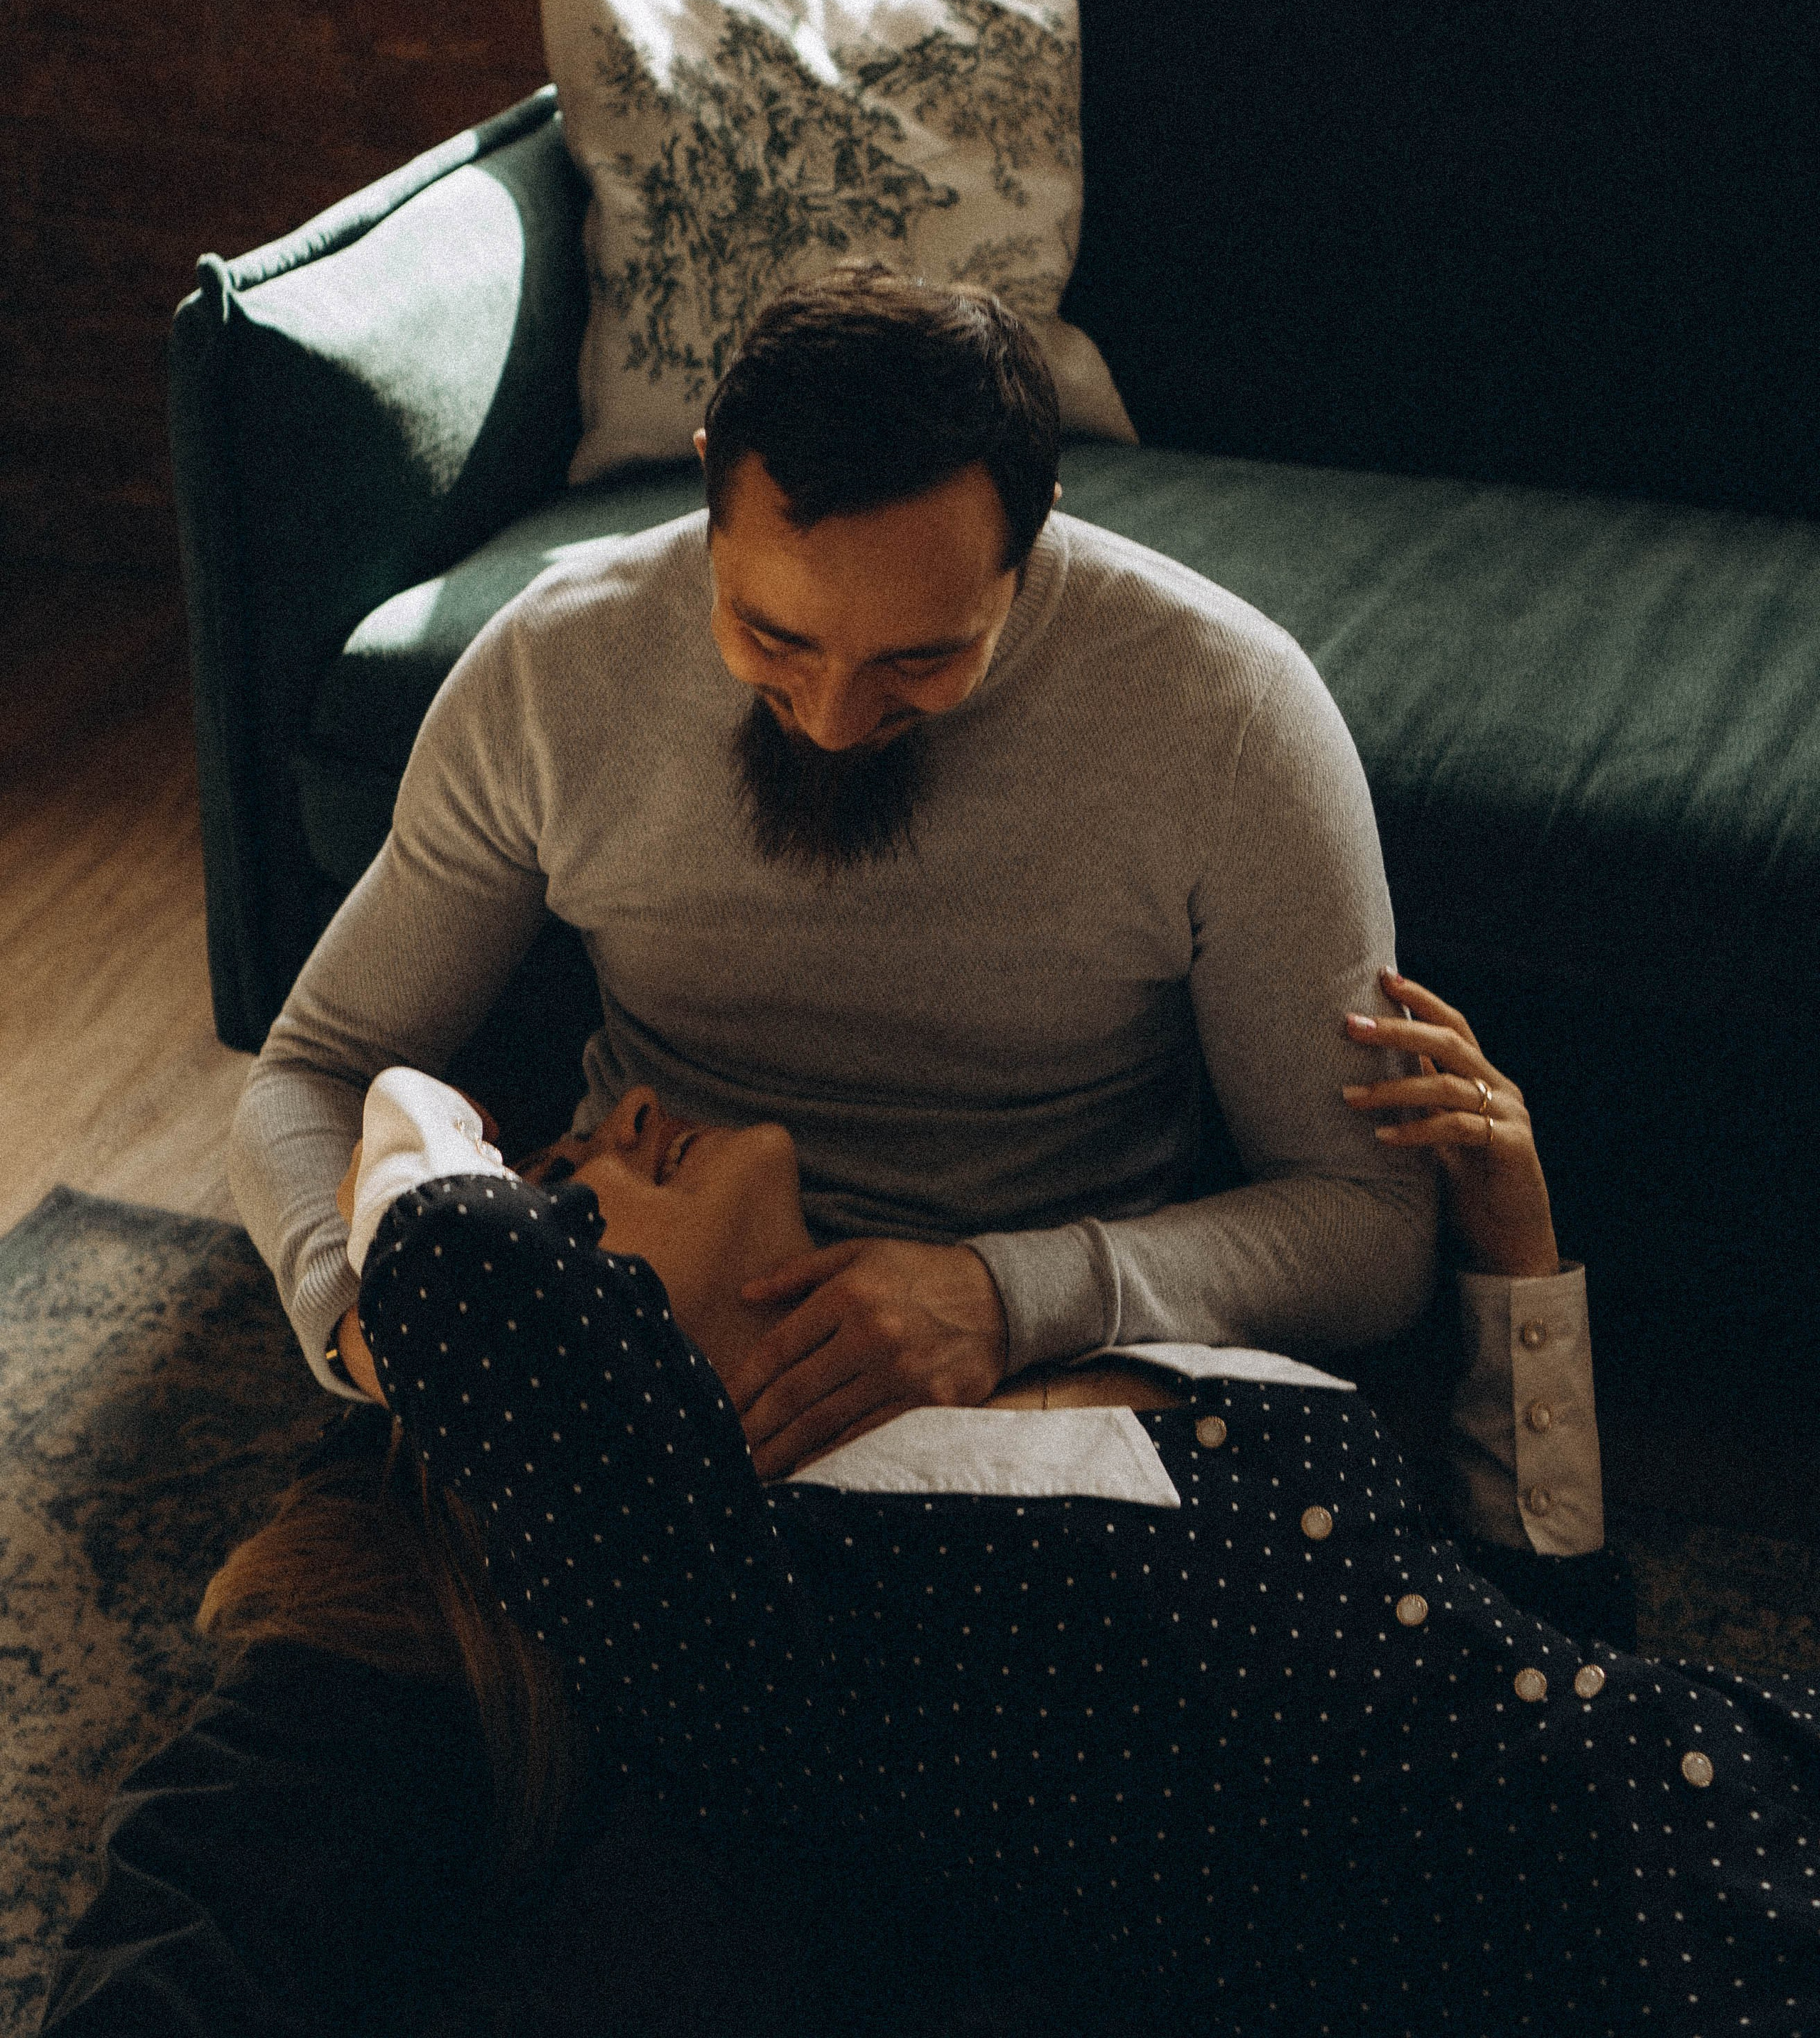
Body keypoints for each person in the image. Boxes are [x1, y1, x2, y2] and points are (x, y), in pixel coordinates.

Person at [45, 980, 1819, 2037]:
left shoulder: (1110, 1361)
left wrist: (1513, 1246)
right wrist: (413, 1126)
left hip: (1750, 1777)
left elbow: (1543, 1646)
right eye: (570, 1173)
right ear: (575, 1372)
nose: (628, 1113)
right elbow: (470, 1284)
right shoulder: (760, 1615)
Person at [233, 267, 1440, 1478]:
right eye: (772, 637)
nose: (829, 715)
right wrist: (367, 1329)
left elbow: (1372, 1225)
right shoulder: (555, 669)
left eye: (922, 658)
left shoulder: (1229, 715)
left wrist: (1010, 1296)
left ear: (1035, 531)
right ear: (708, 482)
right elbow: (311, 1071)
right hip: (621, 1355)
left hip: (1025, 1380)